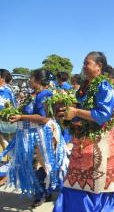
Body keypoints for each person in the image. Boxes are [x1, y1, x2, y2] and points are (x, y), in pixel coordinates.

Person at [53, 51, 114, 212]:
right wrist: (65, 110)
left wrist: (76, 112)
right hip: (83, 139)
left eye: (87, 63)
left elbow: (102, 116)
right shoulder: (84, 87)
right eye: (83, 63)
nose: (83, 66)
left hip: (99, 140)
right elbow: (79, 108)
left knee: (96, 182)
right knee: (76, 181)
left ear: (99, 66)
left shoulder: (104, 86)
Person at [5, 69, 68, 207]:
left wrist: (21, 117)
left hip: (42, 135)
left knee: (41, 164)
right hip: (33, 134)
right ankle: (44, 191)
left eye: (31, 78)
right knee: (41, 163)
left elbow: (43, 119)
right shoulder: (36, 94)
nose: (29, 80)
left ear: (38, 80)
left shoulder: (45, 94)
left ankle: (42, 193)